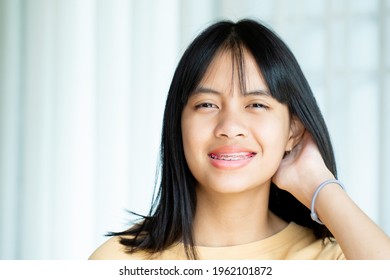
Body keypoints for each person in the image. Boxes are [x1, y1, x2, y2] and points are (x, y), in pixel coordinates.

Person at [89, 19, 390, 260]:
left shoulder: (335, 261)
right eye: (207, 105)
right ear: (177, 124)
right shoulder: (118, 262)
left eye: (256, 105)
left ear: (293, 130)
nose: (230, 127)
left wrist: (319, 184)